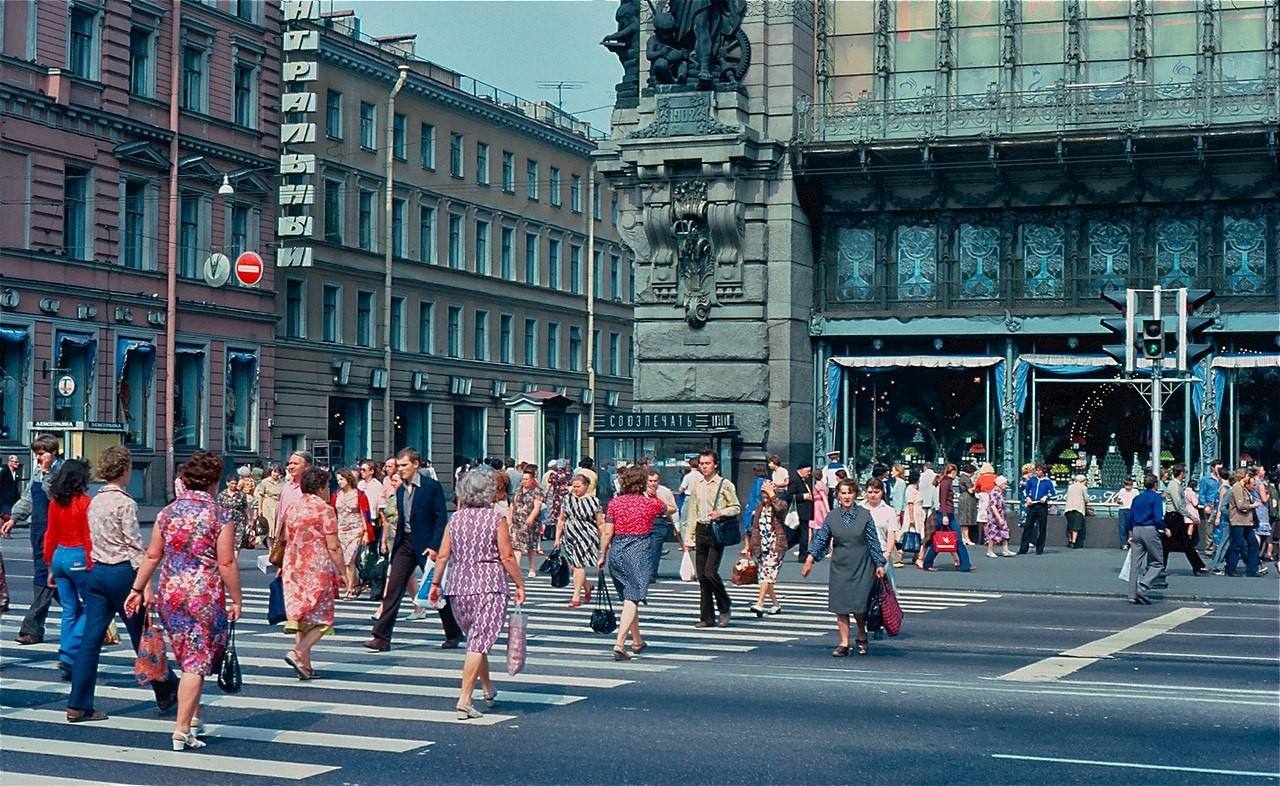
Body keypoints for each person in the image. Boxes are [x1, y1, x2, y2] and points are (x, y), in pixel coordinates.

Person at [126, 451, 243, 750]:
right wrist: (237, 599)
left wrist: (137, 588)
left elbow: (153, 555)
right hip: (203, 594)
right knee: (195, 661)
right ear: (214, 481)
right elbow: (227, 562)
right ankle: (181, 730)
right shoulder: (219, 515)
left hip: (172, 593)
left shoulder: (168, 513)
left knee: (189, 655)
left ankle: (193, 717)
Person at [67, 445, 178, 723]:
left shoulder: (95, 500)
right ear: (125, 470)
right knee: (142, 635)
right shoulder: (125, 503)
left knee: (90, 642)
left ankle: (78, 704)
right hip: (122, 575)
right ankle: (166, 689)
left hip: (97, 574)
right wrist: (145, 584)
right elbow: (133, 545)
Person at [427, 469, 525, 720]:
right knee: (479, 643)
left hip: (458, 587)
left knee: (475, 641)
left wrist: (435, 583)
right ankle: (464, 699)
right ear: (488, 493)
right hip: (489, 586)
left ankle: (488, 689)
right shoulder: (496, 520)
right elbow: (506, 556)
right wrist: (519, 583)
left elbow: (444, 554)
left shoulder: (455, 520)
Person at [366, 448, 461, 651]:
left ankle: (453, 632)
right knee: (393, 589)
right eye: (398, 466)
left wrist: (436, 546)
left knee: (436, 590)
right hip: (405, 544)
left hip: (427, 546)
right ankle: (381, 637)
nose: (400, 470)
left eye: (404, 466)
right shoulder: (400, 489)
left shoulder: (431, 487)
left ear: (415, 464)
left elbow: (441, 519)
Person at [802, 478, 887, 656]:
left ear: (855, 494)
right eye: (843, 493)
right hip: (840, 566)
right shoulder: (832, 517)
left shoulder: (864, 515)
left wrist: (879, 563)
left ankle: (862, 635)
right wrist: (810, 560)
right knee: (840, 605)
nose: (847, 496)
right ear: (838, 495)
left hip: (862, 565)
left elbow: (873, 542)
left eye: (850, 492)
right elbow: (822, 540)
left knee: (858, 605)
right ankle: (844, 642)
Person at [281, 467, 345, 680]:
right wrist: (344, 572)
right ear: (320, 487)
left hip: (292, 566)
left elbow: (282, 538)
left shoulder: (292, 507)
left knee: (302, 618)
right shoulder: (325, 510)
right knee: (324, 619)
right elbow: (333, 546)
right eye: (327, 486)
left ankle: (305, 666)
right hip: (315, 567)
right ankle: (298, 652)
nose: (328, 491)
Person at [600, 466, 667, 660]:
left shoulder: (615, 503)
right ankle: (620, 643)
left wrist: (602, 554)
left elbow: (607, 531)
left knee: (629, 597)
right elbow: (669, 508)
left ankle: (637, 640)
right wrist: (653, 495)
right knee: (633, 598)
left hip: (617, 550)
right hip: (638, 551)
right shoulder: (649, 504)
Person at [44, 459, 93, 680]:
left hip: (59, 556)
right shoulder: (85, 502)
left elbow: (50, 534)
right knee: (92, 607)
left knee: (69, 610)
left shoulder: (55, 501)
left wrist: (50, 566)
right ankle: (70, 652)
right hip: (78, 555)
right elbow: (88, 536)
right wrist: (92, 563)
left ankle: (67, 659)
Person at [681, 450, 741, 628]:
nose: (704, 466)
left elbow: (736, 507)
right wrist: (689, 537)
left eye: (707, 463)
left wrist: (721, 512)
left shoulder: (724, 484)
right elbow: (692, 512)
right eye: (702, 463)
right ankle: (707, 617)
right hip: (701, 529)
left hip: (716, 530)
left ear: (715, 464)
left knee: (710, 572)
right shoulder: (697, 485)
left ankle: (724, 606)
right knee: (702, 577)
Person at [13, 434, 61, 646]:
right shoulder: (37, 473)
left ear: (53, 453)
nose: (38, 458)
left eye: (42, 454)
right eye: (36, 454)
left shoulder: (60, 471)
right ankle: (97, 623)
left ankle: (31, 629)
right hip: (38, 530)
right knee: (56, 584)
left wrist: (48, 473)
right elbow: (28, 498)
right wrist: (14, 518)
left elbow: (55, 496)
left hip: (54, 532)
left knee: (43, 578)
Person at [555, 473, 605, 605]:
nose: (575, 489)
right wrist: (557, 537)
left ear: (586, 486)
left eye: (578, 486)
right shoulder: (567, 499)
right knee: (573, 566)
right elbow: (561, 519)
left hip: (586, 536)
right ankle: (587, 587)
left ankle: (576, 596)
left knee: (578, 565)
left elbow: (600, 522)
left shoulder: (594, 501)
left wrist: (605, 538)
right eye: (574, 486)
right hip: (570, 536)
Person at [741, 479, 789, 616]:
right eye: (763, 493)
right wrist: (749, 546)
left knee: (767, 575)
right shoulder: (759, 507)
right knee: (764, 576)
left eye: (767, 493)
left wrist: (772, 495)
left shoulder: (778, 504)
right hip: (762, 546)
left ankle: (760, 603)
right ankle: (775, 604)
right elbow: (755, 528)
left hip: (776, 546)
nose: (765, 496)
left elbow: (781, 509)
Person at [921, 465, 973, 572]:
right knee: (947, 539)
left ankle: (965, 564)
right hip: (945, 515)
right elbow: (943, 500)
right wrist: (944, 515)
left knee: (945, 540)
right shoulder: (946, 482)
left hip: (948, 514)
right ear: (953, 471)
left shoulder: (946, 481)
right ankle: (928, 563)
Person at [331, 468, 372, 600]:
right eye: (338, 480)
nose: (339, 482)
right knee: (345, 560)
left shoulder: (359, 494)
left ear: (348, 479)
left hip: (356, 529)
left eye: (341, 479)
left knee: (350, 559)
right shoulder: (336, 495)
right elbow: (333, 513)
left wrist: (366, 532)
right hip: (341, 529)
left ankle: (349, 588)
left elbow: (364, 513)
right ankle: (355, 583)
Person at [1161, 464, 1208, 577]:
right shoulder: (1174, 485)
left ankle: (1197, 566)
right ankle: (1197, 566)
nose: (1185, 474)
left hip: (1175, 516)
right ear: (1181, 473)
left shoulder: (1176, 485)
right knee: (1170, 544)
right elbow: (1178, 505)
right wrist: (1192, 517)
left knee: (1182, 543)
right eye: (1185, 472)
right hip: (1173, 516)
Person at [1125, 474, 1166, 604]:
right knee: (1158, 563)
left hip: (1136, 530)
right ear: (1156, 484)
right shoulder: (1156, 498)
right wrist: (1164, 528)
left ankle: (1132, 594)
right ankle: (1143, 585)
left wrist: (1129, 533)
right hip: (1150, 529)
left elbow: (1129, 517)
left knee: (1135, 564)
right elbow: (1158, 517)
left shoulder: (1137, 498)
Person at [1221, 469, 1264, 577]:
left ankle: (1252, 569)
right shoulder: (1237, 488)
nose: (1249, 477)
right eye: (1248, 475)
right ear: (1243, 476)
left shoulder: (1244, 488)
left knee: (1253, 544)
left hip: (1246, 521)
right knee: (1236, 545)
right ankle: (1230, 569)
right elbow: (1241, 506)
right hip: (1238, 521)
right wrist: (1253, 505)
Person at [509, 469, 545, 578]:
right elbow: (512, 505)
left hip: (530, 524)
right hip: (517, 522)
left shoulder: (536, 491)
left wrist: (530, 518)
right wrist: (509, 519)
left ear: (532, 480)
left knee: (531, 547)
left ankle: (532, 568)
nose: (524, 481)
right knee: (517, 546)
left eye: (526, 479)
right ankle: (516, 568)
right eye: (523, 479)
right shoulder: (518, 490)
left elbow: (537, 507)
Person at [645, 471, 678, 583]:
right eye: (650, 481)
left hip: (660, 520)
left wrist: (676, 526)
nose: (653, 483)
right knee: (645, 547)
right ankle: (644, 570)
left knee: (655, 547)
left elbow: (673, 508)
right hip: (645, 520)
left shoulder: (665, 491)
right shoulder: (641, 491)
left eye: (655, 481)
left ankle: (651, 573)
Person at [274, 451, 312, 545]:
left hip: (304, 538)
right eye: (290, 463)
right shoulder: (287, 486)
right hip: (286, 538)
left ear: (307, 466)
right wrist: (278, 532)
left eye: (295, 464)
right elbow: (281, 512)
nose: (291, 467)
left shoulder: (312, 487)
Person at [1018, 463, 1054, 556]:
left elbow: (1053, 494)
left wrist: (1046, 497)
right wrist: (1028, 498)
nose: (1037, 472)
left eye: (1039, 470)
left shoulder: (1048, 482)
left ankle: (1039, 549)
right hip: (1032, 506)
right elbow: (1026, 490)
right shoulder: (1032, 480)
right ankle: (1023, 548)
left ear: (1043, 471)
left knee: (1042, 528)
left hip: (1042, 506)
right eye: (1036, 470)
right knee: (1027, 526)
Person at [786, 463, 815, 564]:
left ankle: (783, 549)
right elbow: (789, 496)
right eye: (807, 471)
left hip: (804, 512)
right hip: (799, 512)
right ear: (801, 470)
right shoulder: (795, 480)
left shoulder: (803, 481)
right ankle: (803, 555)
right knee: (803, 534)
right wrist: (803, 496)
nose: (809, 474)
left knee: (798, 535)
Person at [217, 476, 250, 553]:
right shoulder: (222, 495)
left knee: (237, 544)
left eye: (235, 484)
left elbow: (246, 508)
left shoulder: (241, 495)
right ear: (227, 483)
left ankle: (235, 561)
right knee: (227, 543)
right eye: (232, 483)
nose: (234, 485)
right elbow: (218, 510)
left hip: (239, 522)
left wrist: (249, 520)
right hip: (226, 522)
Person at [984, 476, 1014, 558]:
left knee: (1005, 530)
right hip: (994, 517)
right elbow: (993, 505)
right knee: (992, 532)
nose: (1006, 485)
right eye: (1004, 483)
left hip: (1001, 515)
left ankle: (1006, 550)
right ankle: (989, 551)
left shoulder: (1000, 492)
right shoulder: (994, 492)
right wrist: (999, 517)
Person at [1064, 475, 1088, 549]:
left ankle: (1070, 541)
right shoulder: (1083, 488)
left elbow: (1067, 496)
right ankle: (1073, 542)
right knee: (1076, 526)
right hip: (1078, 508)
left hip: (1069, 508)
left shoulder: (1070, 487)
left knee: (1070, 525)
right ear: (1083, 481)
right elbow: (1086, 499)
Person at [956, 464, 977, 546]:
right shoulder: (966, 479)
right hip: (966, 499)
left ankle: (964, 537)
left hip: (963, 498)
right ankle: (966, 538)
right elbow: (970, 490)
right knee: (965, 519)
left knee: (964, 518)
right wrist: (976, 485)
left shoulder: (962, 477)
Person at [1116, 477, 1138, 551]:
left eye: (1129, 485)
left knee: (1132, 527)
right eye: (1126, 485)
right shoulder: (1122, 491)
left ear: (1132, 485)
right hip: (1123, 509)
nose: (1128, 487)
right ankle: (1124, 544)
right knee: (1123, 527)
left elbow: (1137, 500)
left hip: (1132, 510)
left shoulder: (1135, 491)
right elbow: (1118, 500)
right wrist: (1119, 502)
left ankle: (1133, 543)